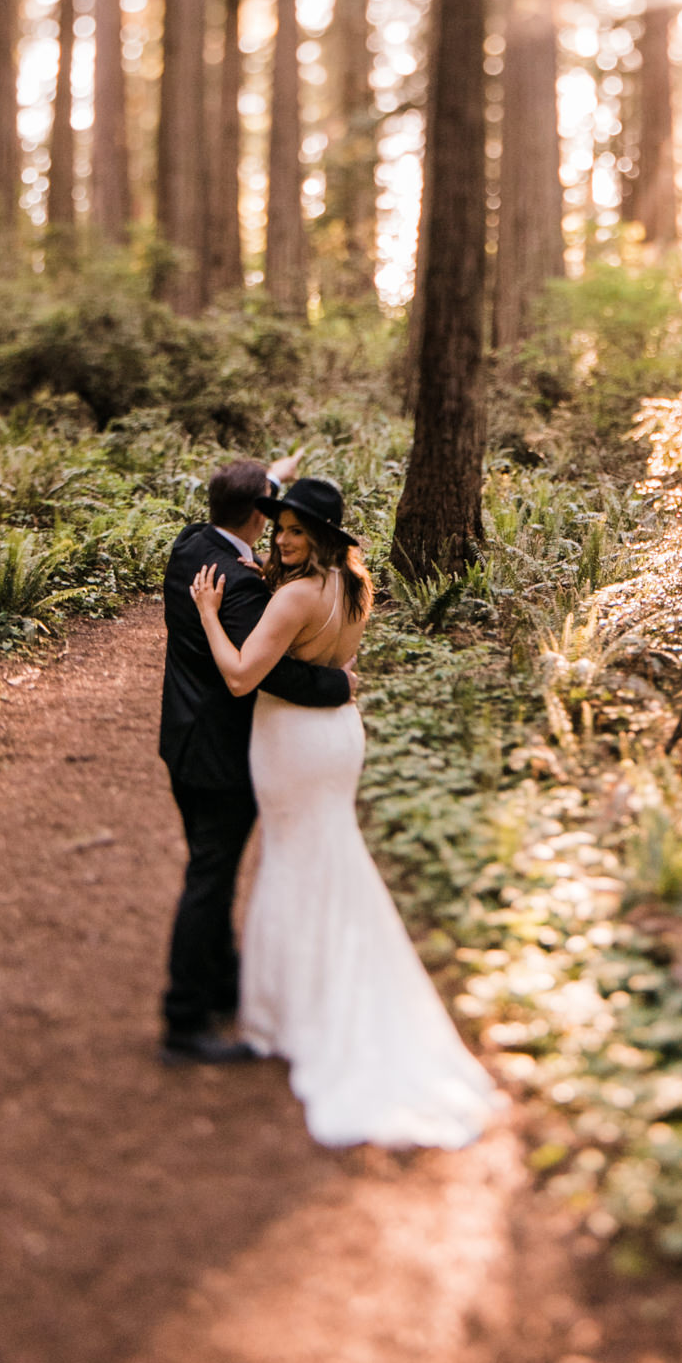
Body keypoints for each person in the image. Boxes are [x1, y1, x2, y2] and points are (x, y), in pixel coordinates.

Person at [189, 473, 499, 1149]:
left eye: (298, 531)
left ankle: (288, 1015)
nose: (284, 539)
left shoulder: (296, 595)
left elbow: (242, 675)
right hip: (338, 735)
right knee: (330, 857)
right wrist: (270, 577)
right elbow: (317, 648)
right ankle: (326, 992)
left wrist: (212, 613)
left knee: (293, 861)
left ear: (322, 537)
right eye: (281, 530)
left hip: (291, 741)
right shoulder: (353, 588)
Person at [157, 449, 309, 1064]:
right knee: (211, 879)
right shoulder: (238, 584)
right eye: (269, 513)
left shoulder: (191, 545)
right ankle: (184, 1021)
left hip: (183, 738)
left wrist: (279, 472)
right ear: (255, 517)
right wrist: (340, 684)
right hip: (221, 753)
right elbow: (268, 675)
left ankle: (221, 986)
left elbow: (253, 491)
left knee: (208, 864)